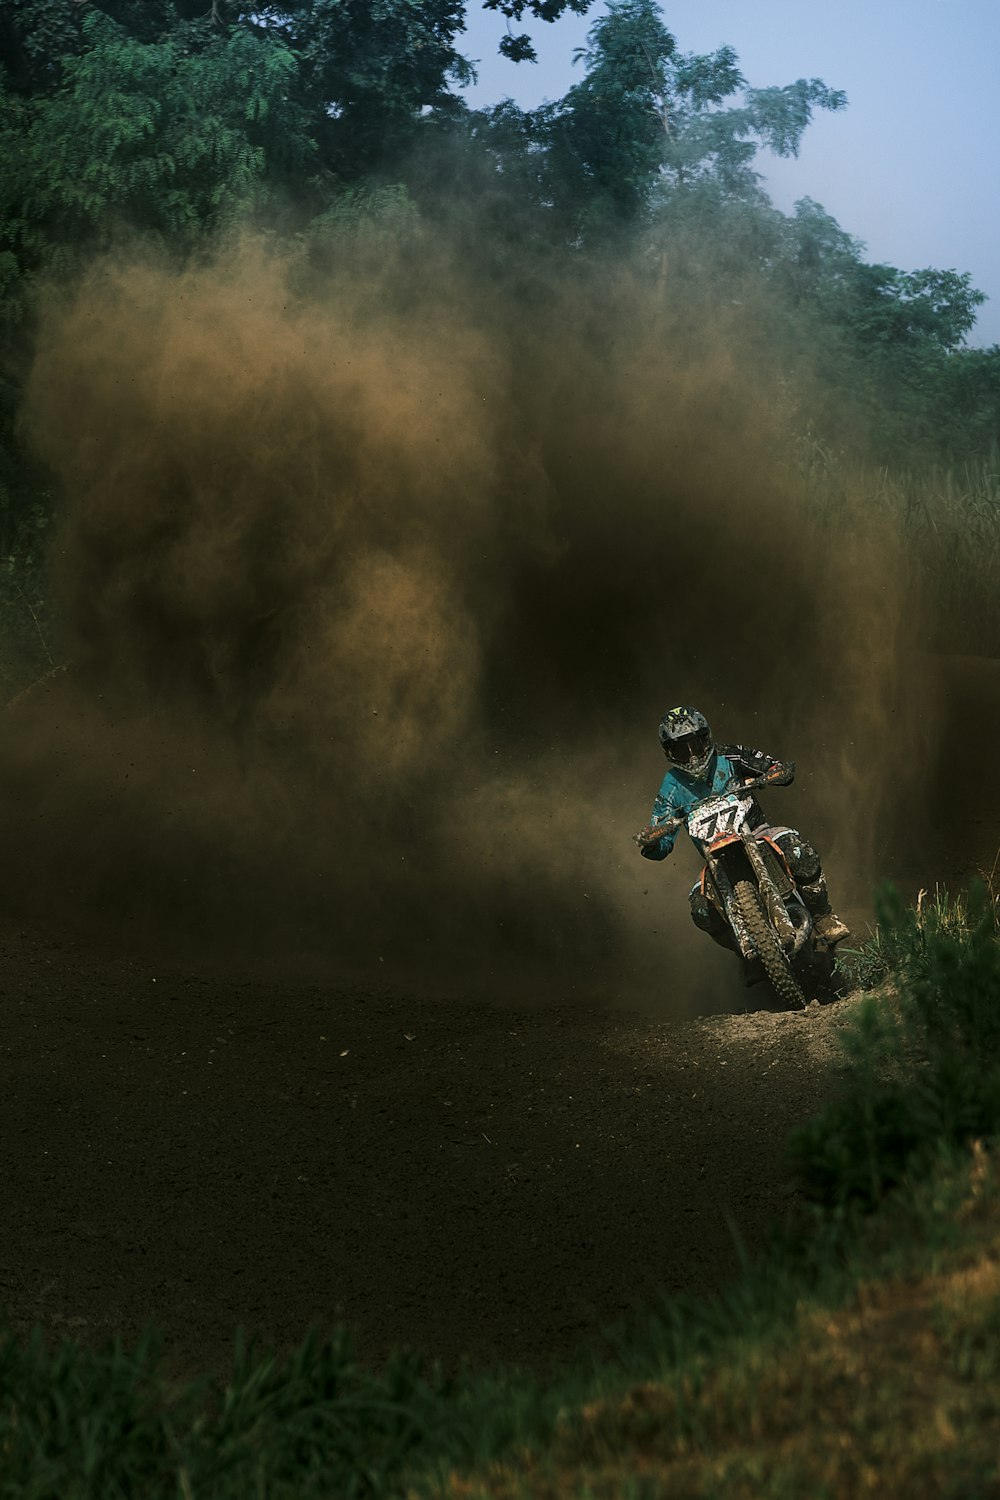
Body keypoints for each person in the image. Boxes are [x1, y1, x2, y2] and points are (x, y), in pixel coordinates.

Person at [635, 705, 850, 951]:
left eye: (695, 745)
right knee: (701, 909)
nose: (692, 756)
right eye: (681, 750)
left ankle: (823, 916)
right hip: (715, 857)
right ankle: (742, 950)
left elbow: (772, 765)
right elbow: (661, 839)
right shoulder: (671, 786)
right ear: (669, 753)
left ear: (706, 738)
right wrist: (651, 841)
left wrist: (774, 773)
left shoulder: (729, 755)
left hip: (758, 834)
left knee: (798, 852)